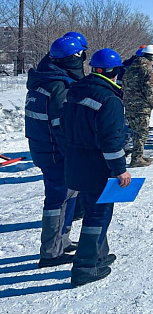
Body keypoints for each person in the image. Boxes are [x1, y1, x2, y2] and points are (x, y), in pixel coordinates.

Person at [59, 48, 129, 287]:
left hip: (76, 162)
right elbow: (110, 141)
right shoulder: (109, 99)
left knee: (93, 209)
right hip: (97, 167)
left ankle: (99, 254)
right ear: (115, 72)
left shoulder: (74, 91)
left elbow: (62, 128)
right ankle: (85, 268)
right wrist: (120, 169)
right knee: (97, 215)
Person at [24, 35, 85, 268]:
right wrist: (73, 155)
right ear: (73, 58)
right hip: (55, 152)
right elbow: (62, 127)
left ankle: (63, 240)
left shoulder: (44, 78)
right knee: (57, 199)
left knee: (70, 194)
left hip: (43, 148)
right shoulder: (57, 85)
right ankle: (50, 252)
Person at [123, 45, 153, 167]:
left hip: (128, 105)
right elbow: (151, 92)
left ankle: (138, 155)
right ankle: (136, 158)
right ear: (152, 58)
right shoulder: (149, 71)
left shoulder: (130, 69)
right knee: (141, 133)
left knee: (134, 131)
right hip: (142, 107)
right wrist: (151, 105)